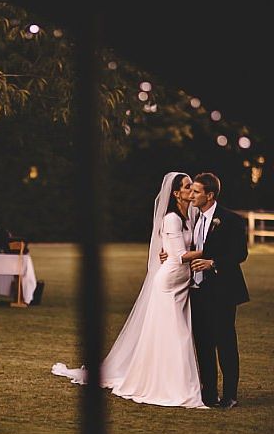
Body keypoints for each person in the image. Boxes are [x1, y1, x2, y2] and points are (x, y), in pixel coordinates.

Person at [52, 172, 207, 408]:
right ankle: (173, 386)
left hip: (182, 282)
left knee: (173, 334)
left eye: (193, 189)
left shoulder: (191, 215)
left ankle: (173, 381)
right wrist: (210, 252)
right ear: (176, 193)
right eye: (187, 188)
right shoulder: (172, 218)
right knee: (178, 335)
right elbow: (178, 255)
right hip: (169, 283)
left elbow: (181, 246)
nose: (192, 192)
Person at [163, 172, 249, 409]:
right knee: (203, 344)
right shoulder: (194, 218)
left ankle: (230, 394)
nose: (192, 195)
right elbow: (186, 246)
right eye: (191, 190)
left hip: (222, 290)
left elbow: (240, 254)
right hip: (197, 290)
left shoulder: (230, 220)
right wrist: (168, 253)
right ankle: (208, 393)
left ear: (209, 195)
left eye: (197, 192)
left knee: (225, 342)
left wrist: (214, 263)